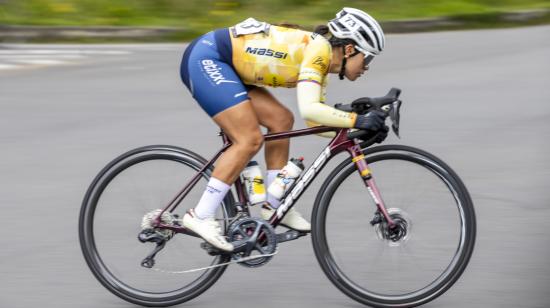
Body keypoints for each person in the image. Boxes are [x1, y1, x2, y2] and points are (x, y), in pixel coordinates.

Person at [179, 7, 387, 251]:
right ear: (350, 49)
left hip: (229, 66)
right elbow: (310, 110)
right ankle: (200, 215)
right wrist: (356, 120)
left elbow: (316, 125)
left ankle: (274, 204)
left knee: (281, 120)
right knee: (249, 139)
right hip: (208, 57)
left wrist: (358, 129)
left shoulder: (322, 61)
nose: (368, 67)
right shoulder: (319, 51)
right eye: (368, 58)